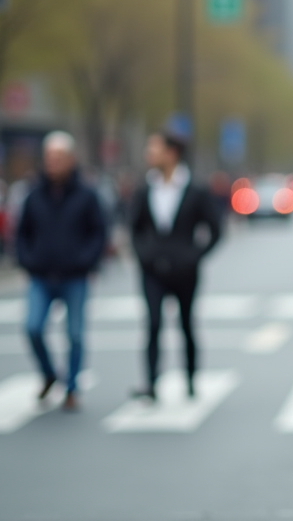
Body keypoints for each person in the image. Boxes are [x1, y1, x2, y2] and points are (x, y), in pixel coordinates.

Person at [127, 131, 223, 401]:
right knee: (153, 324)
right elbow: (134, 228)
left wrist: (194, 256)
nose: (149, 154)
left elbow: (215, 229)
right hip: (152, 270)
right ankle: (151, 382)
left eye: (154, 149)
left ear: (171, 153)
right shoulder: (145, 188)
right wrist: (144, 255)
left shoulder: (195, 189)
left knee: (186, 324)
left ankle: (191, 379)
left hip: (185, 271)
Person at [15, 131, 108, 410]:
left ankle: (72, 388)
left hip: (74, 276)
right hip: (41, 276)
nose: (53, 163)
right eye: (49, 157)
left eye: (58, 157)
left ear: (71, 159)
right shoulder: (34, 195)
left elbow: (99, 232)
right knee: (32, 327)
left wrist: (86, 261)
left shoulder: (87, 195)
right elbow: (21, 233)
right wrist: (27, 260)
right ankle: (48, 374)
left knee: (75, 335)